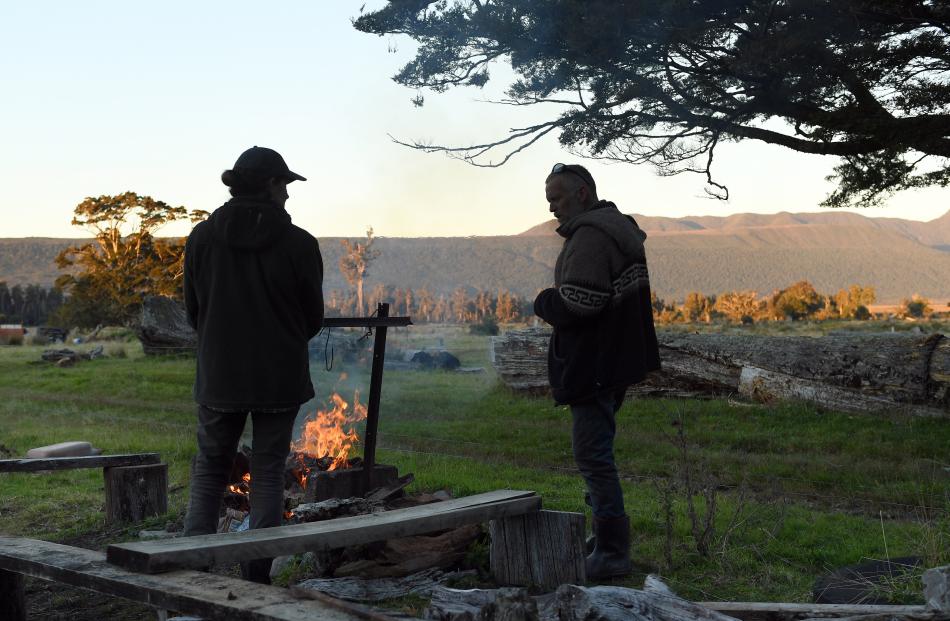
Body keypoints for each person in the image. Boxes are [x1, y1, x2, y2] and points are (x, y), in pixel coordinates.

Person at [182, 146, 324, 583]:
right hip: (279, 376)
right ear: (269, 184)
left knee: (210, 467)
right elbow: (312, 318)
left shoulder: (201, 238)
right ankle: (256, 578)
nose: (288, 194)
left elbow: (193, 312)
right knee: (267, 471)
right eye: (284, 184)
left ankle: (193, 572)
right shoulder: (300, 243)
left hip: (220, 376)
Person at [534, 163, 661, 580]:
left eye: (557, 198)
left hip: (594, 364)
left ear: (582, 194)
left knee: (593, 457)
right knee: (598, 452)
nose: (551, 206)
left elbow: (580, 303)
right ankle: (603, 540)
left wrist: (543, 302)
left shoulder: (590, 236)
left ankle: (611, 552)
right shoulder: (616, 231)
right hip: (613, 361)